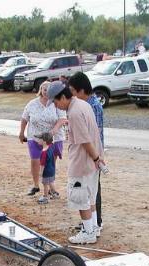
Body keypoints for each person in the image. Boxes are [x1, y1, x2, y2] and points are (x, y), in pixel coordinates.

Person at [47, 81, 105, 244]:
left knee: (80, 197)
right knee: (91, 196)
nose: (56, 106)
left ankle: (88, 232)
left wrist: (95, 157)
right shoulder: (84, 104)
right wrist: (98, 156)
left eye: (56, 102)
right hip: (92, 162)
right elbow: (96, 133)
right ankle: (94, 227)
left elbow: (85, 140)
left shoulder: (74, 112)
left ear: (64, 96)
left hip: (82, 162)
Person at [68, 72, 105, 230]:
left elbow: (88, 136)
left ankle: (94, 224)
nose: (72, 96)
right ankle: (92, 223)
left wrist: (96, 157)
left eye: (73, 91)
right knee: (90, 190)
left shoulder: (91, 105)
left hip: (92, 154)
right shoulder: (88, 104)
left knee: (90, 191)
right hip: (93, 153)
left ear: (81, 90)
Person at [19, 81, 66, 196]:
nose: (46, 92)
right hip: (34, 136)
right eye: (44, 89)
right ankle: (36, 185)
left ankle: (51, 186)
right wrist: (21, 132)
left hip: (53, 138)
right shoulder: (32, 103)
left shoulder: (56, 102)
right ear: (41, 90)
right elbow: (24, 118)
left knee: (51, 163)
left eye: (48, 89)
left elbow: (62, 119)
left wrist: (52, 132)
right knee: (35, 160)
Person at [36, 132, 60, 204]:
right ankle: (55, 194)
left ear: (44, 141)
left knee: (45, 184)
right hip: (52, 169)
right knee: (51, 182)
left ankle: (45, 197)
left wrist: (40, 173)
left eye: (39, 139)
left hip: (46, 171)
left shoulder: (44, 152)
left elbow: (42, 164)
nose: (37, 140)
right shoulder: (51, 146)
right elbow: (53, 143)